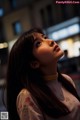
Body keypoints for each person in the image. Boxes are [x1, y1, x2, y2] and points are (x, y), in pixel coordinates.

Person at [7, 28, 80, 120]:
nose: (51, 41)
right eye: (38, 43)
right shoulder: (28, 96)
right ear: (34, 63)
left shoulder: (66, 80)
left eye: (45, 37)